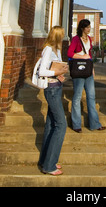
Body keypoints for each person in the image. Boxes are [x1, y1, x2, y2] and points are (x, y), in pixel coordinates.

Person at [38, 26, 68, 176]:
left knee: (51, 124)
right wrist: (56, 72)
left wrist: (59, 75)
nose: (63, 37)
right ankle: (49, 166)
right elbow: (42, 71)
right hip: (51, 90)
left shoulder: (56, 50)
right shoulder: (48, 49)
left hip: (57, 86)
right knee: (61, 124)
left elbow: (53, 69)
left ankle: (46, 160)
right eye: (62, 35)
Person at [67, 19, 106, 133]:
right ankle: (76, 124)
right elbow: (70, 53)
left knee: (91, 96)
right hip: (78, 70)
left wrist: (92, 68)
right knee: (77, 97)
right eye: (88, 27)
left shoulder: (89, 39)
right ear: (82, 28)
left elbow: (89, 55)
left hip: (88, 71)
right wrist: (82, 57)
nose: (89, 29)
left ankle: (94, 124)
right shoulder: (75, 39)